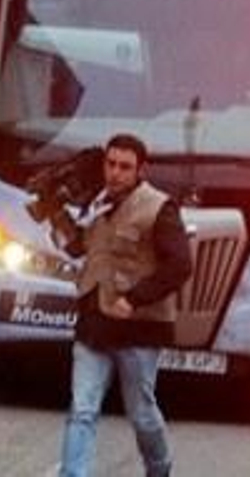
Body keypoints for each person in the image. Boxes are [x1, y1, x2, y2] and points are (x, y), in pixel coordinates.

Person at [58, 134, 192, 477]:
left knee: (142, 413)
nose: (115, 173)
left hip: (138, 327)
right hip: (94, 323)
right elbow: (77, 247)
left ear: (140, 170)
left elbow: (179, 265)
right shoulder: (97, 201)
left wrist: (134, 299)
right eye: (111, 164)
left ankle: (159, 468)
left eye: (124, 167)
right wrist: (54, 216)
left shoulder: (159, 207)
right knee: (83, 409)